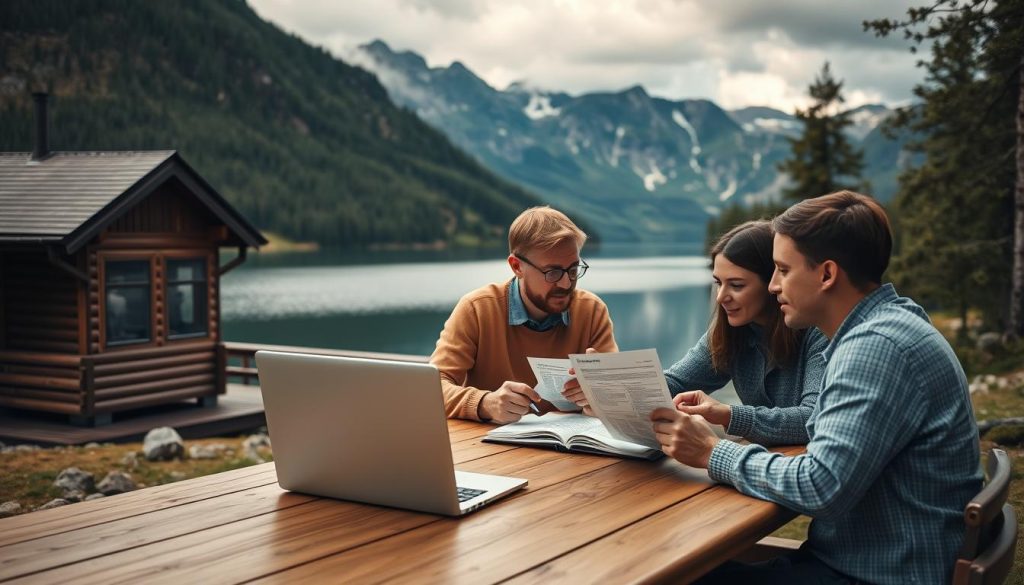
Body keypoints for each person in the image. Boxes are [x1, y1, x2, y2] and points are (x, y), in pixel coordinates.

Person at [651, 191, 982, 584]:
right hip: (868, 558)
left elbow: (820, 485)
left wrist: (710, 451)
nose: (773, 286)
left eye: (783, 271)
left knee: (670, 572)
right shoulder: (882, 327)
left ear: (826, 274)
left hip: (881, 573)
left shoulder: (875, 349)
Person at [431, 206, 618, 423]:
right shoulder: (477, 309)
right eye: (553, 272)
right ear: (517, 266)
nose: (566, 283)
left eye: (574, 269)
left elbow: (617, 400)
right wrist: (485, 403)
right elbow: (431, 388)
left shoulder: (592, 311)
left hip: (573, 450)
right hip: (487, 450)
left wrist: (601, 396)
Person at [665, 220, 826, 445]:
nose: (721, 297)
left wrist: (728, 414)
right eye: (718, 283)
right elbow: (673, 384)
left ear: (774, 281)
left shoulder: (818, 332)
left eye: (737, 285)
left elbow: (813, 419)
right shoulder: (730, 333)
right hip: (758, 463)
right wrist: (607, 383)